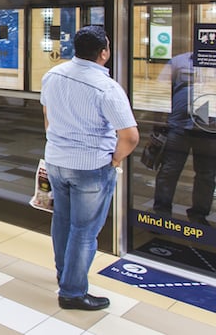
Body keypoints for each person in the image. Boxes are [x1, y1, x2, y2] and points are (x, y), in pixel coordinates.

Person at [41, 26, 139, 311]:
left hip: (57, 162)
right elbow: (130, 136)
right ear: (103, 53)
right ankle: (72, 292)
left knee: (61, 220)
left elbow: (47, 117)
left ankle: (65, 274)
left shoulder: (53, 75)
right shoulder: (106, 88)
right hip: (90, 168)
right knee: (84, 230)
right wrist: (116, 160)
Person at [153, 52, 216, 226]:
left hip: (209, 129)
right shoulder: (178, 61)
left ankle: (199, 216)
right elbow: (162, 88)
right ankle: (161, 215)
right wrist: (158, 121)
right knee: (168, 171)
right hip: (178, 126)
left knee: (207, 175)